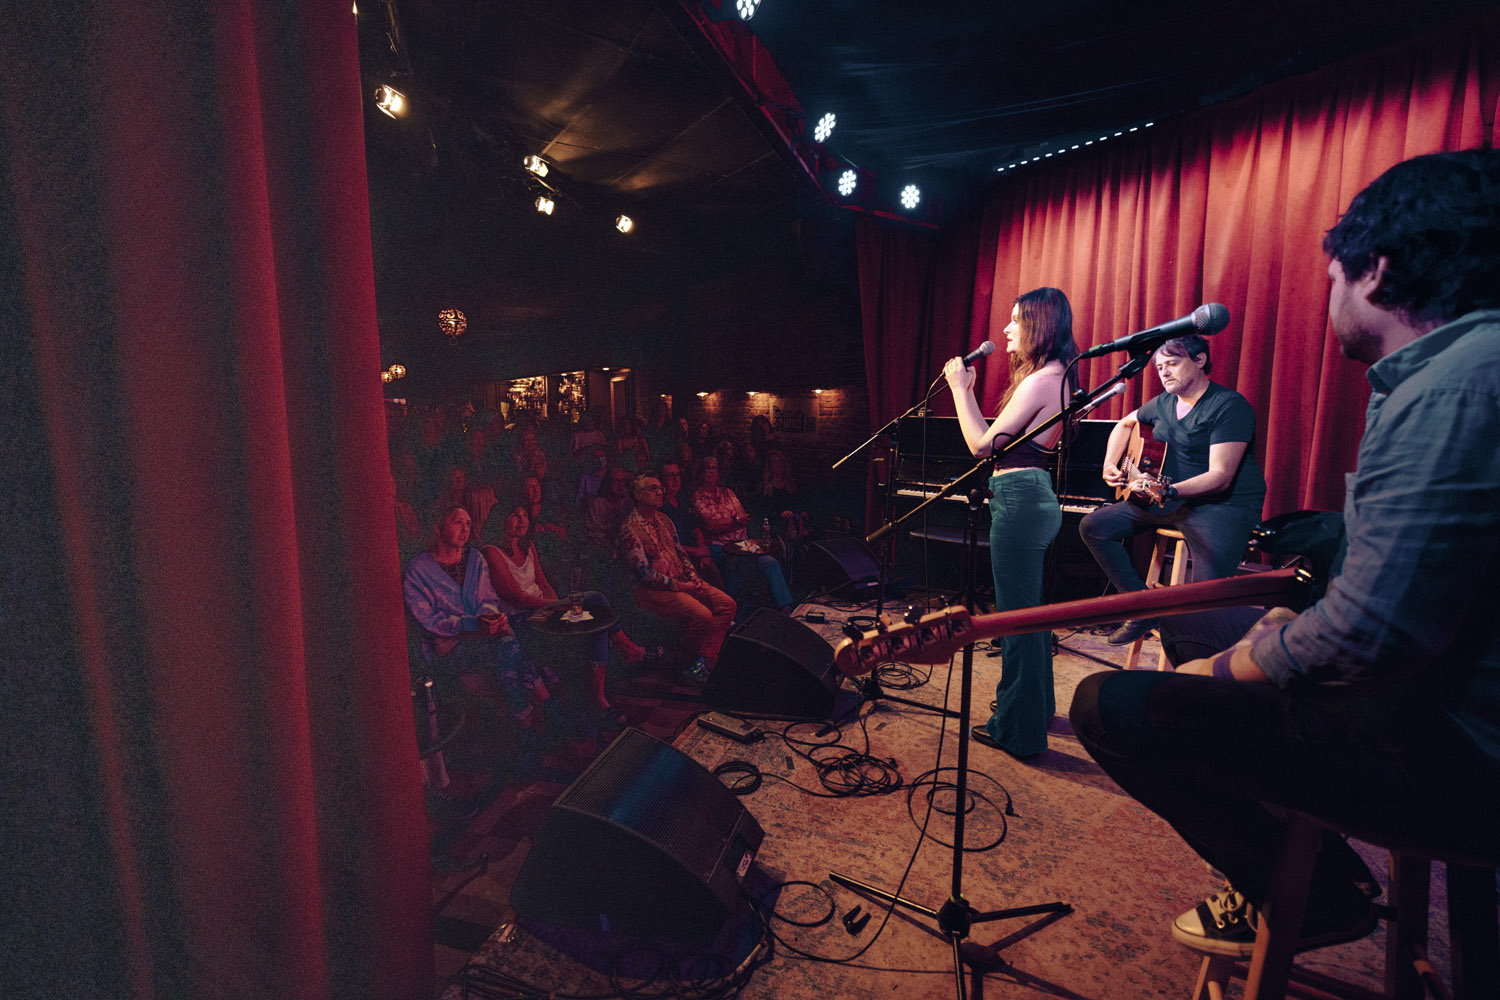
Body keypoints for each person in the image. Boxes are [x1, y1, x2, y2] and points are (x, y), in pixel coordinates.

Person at [1069, 150, 1500, 960]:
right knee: (1192, 618)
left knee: (1111, 703)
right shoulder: (1458, 373)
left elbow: (1366, 638)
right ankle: (1334, 873)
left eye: (1333, 275)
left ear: (1377, 269)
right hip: (1443, 696)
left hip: (1454, 747)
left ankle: (1318, 894)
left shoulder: (1451, 388)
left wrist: (1227, 671)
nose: (1329, 295)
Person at [943, 286, 1080, 758]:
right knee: (1031, 615)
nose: (1006, 328)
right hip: (1030, 495)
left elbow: (982, 446)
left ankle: (1017, 730)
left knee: (1015, 622)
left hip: (1019, 499)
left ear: (1040, 325)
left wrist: (960, 391)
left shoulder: (1043, 380)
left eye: (1016, 319)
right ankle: (1034, 709)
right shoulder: (1056, 375)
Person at [1078, 332, 1267, 645]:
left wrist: (1170, 490)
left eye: (1172, 364)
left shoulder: (1228, 406)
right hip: (1169, 500)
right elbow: (1125, 424)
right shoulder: (1162, 403)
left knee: (1205, 602)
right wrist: (1110, 464)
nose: (1163, 372)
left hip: (1221, 506)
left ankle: (1206, 661)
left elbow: (1220, 476)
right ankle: (1142, 608)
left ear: (1200, 360)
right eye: (1159, 367)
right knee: (1094, 527)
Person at [480, 503, 657, 729]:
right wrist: (557, 605)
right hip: (522, 620)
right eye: (515, 515)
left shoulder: (527, 545)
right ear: (501, 518)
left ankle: (603, 693)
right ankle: (623, 660)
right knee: (595, 607)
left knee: (597, 611)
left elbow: (543, 583)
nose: (522, 520)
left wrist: (556, 608)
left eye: (525, 515)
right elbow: (518, 598)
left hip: (542, 610)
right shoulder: (491, 551)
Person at [402, 505, 555, 763]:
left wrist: (489, 616)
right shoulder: (418, 570)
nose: (464, 529)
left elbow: (488, 599)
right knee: (511, 649)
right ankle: (543, 708)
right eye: (457, 522)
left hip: (484, 637)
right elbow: (429, 620)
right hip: (448, 648)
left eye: (468, 524)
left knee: (508, 649)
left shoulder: (474, 558)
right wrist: (472, 623)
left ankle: (528, 730)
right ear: (438, 527)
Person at [618, 474, 737, 684]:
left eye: (660, 488)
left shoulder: (665, 520)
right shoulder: (630, 529)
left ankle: (704, 661)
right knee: (703, 615)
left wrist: (694, 578)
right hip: (652, 592)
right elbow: (645, 575)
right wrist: (682, 586)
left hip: (682, 580)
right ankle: (687, 662)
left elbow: (681, 553)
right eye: (652, 489)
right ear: (637, 495)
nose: (659, 492)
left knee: (727, 604)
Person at [690, 454, 796, 615]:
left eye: (714, 468)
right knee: (736, 564)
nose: (711, 472)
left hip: (742, 543)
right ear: (701, 472)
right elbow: (710, 526)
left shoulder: (728, 492)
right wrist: (734, 521)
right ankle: (734, 612)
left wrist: (726, 523)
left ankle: (785, 606)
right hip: (719, 545)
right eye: (708, 468)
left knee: (771, 562)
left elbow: (744, 517)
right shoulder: (697, 496)